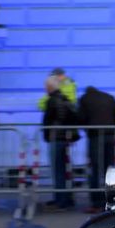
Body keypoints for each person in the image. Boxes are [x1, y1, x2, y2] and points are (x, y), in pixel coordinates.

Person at [77, 86, 115, 213]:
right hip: (109, 136)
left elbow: (81, 117)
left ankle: (96, 202)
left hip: (96, 136)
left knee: (95, 169)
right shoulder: (109, 97)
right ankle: (112, 200)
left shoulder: (85, 99)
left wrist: (86, 129)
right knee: (110, 169)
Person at [42, 75, 78, 211]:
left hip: (55, 138)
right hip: (65, 139)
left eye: (46, 86)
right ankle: (66, 198)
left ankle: (60, 200)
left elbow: (47, 120)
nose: (45, 89)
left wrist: (46, 136)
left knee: (58, 171)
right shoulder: (65, 99)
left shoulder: (51, 101)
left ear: (50, 87)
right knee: (65, 170)